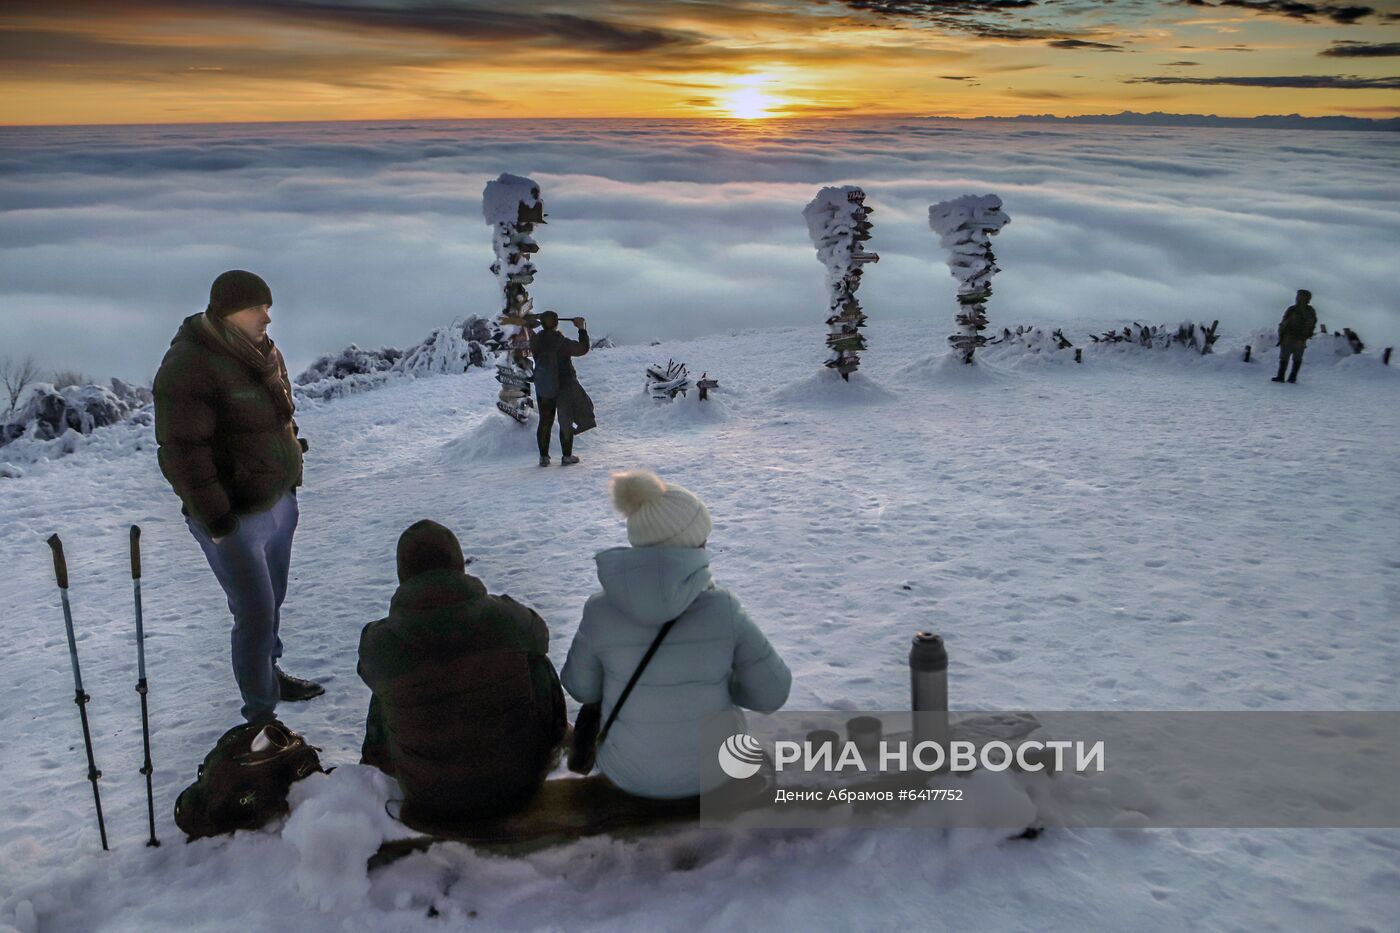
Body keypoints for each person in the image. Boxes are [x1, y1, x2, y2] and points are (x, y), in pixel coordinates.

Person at [154, 270, 323, 725]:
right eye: (257, 308)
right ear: (230, 313)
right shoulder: (190, 364)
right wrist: (219, 521)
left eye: (268, 307)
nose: (268, 317)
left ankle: (269, 674)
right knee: (254, 612)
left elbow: (281, 415)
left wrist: (289, 467)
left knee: (274, 600)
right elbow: (181, 453)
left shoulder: (264, 352)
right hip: (235, 519)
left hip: (277, 502)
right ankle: (261, 717)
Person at [561, 470, 791, 800]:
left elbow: (580, 686)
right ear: (694, 544)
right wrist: (715, 683)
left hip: (627, 773)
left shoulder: (599, 611)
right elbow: (773, 693)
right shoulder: (722, 610)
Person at [358, 520, 567, 823]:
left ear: (403, 574)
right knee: (535, 661)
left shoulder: (379, 640)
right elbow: (541, 638)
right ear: (459, 564)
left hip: (427, 794)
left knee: (386, 685)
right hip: (519, 783)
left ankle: (376, 772)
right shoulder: (504, 616)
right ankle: (551, 744)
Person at [528, 310, 595, 467]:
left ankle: (544, 458)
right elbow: (583, 349)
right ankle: (566, 456)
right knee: (566, 421)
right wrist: (581, 328)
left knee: (545, 421)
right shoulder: (561, 342)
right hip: (563, 386)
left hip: (543, 385)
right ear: (556, 324)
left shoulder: (535, 341)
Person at [1274, 289, 1318, 384]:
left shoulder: (1307, 311)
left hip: (1297, 338)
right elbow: (1284, 322)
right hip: (1291, 337)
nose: (1297, 299)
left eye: (1299, 297)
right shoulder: (1294, 309)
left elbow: (1311, 323)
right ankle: (1285, 376)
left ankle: (1289, 377)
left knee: (1294, 358)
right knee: (1287, 357)